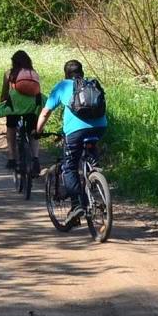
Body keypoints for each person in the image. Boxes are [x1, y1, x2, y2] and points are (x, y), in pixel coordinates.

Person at [35, 59, 107, 223]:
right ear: (81, 72)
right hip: (100, 127)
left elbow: (45, 113)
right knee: (89, 153)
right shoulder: (91, 84)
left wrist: (38, 131)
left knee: (70, 167)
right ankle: (95, 173)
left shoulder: (62, 86)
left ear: (65, 74)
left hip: (75, 132)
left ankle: (77, 205)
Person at [0, 50, 41, 176]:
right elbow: (38, 91)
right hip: (32, 107)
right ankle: (35, 159)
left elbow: (4, 93)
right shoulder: (33, 73)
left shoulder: (9, 73)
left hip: (15, 107)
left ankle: (12, 158)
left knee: (11, 128)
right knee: (33, 131)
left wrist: (3, 102)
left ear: (14, 61)